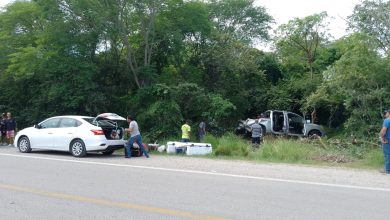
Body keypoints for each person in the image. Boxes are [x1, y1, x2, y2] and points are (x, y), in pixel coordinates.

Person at [380, 109, 390, 174]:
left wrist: (382, 138)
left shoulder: (387, 120)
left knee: (387, 154)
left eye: (386, 113)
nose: (385, 114)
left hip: (388, 139)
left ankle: (387, 170)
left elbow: (384, 130)